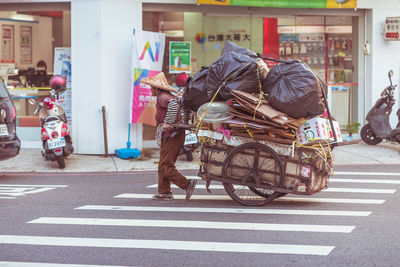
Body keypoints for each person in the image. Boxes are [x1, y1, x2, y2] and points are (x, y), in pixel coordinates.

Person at [140, 72, 197, 201]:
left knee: (166, 165)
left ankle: (187, 184)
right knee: (163, 164)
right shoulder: (164, 96)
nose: (150, 90)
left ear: (156, 88)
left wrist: (167, 122)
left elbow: (173, 105)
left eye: (151, 88)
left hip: (172, 135)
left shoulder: (163, 97)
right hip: (172, 134)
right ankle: (164, 191)